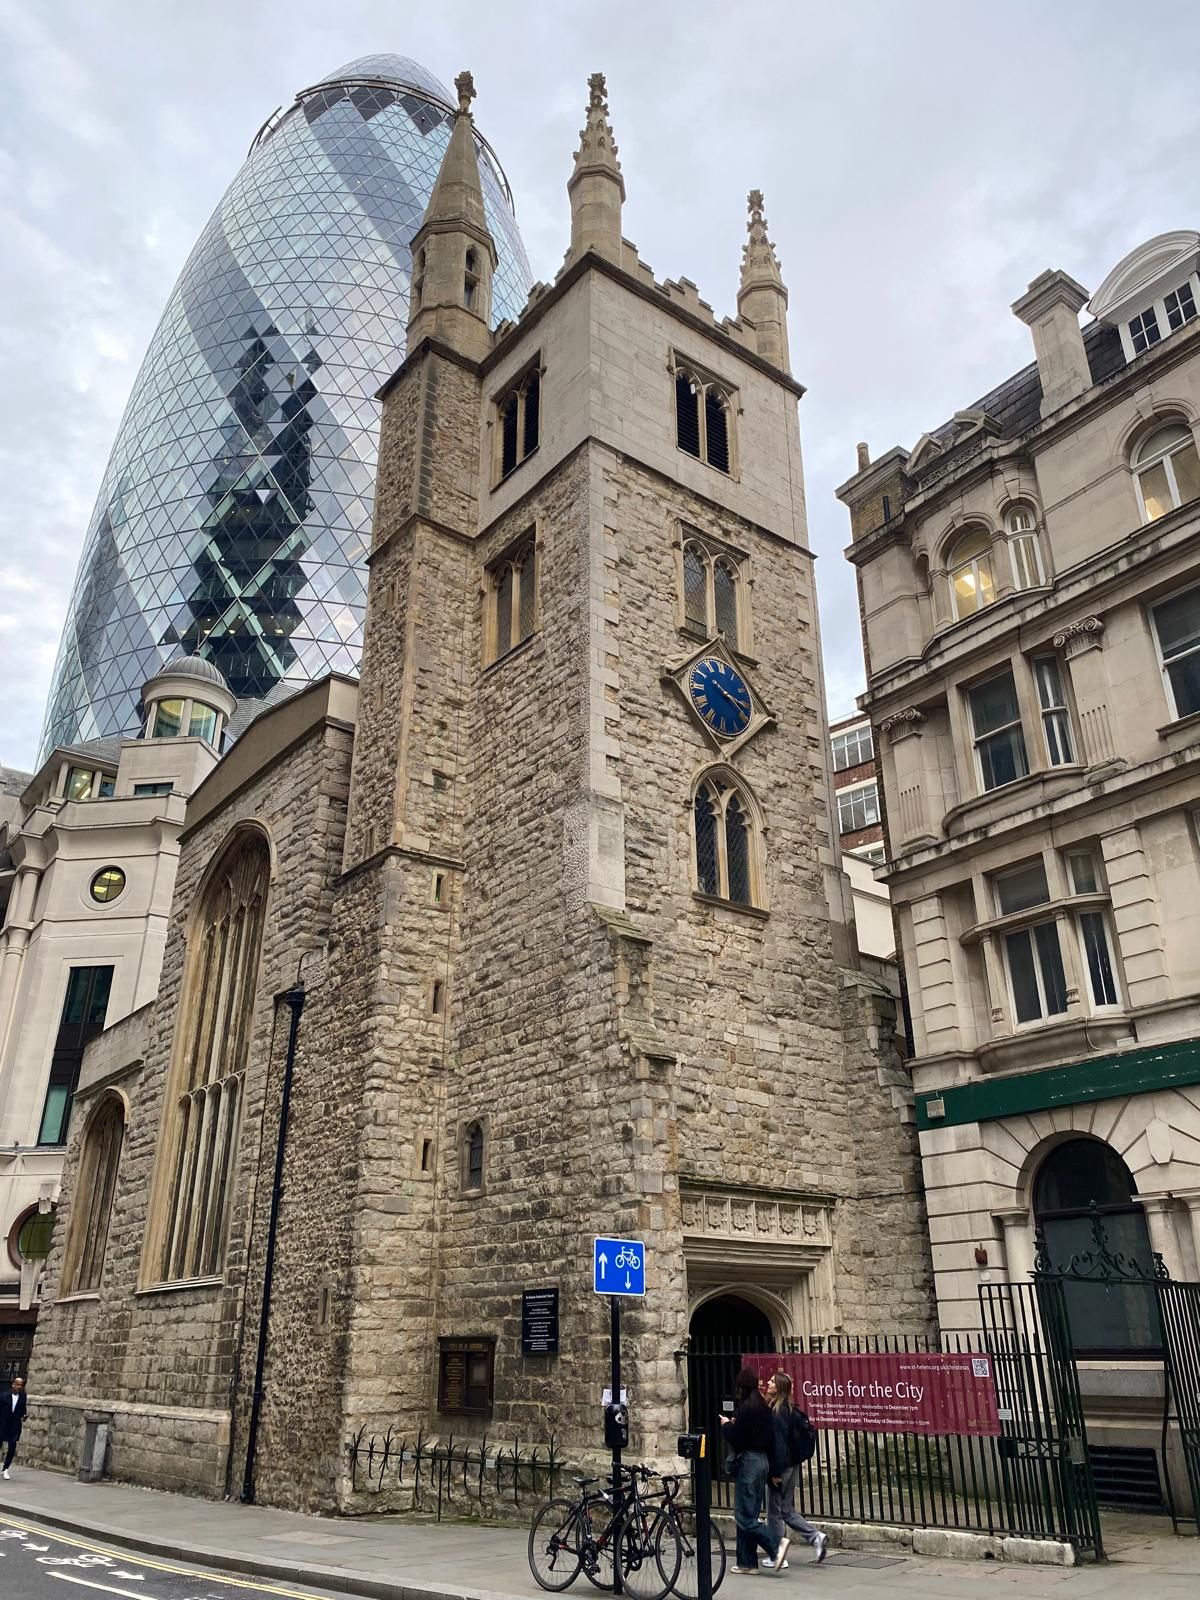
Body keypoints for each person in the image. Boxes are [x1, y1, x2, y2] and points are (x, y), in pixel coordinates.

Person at [719, 1365, 787, 1575]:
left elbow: (738, 1438)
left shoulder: (747, 1407)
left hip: (749, 1462)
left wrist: (727, 1425)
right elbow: (769, 1439)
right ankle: (746, 1562)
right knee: (750, 1512)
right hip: (762, 1462)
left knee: (744, 1516)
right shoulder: (763, 1406)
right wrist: (774, 1470)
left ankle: (776, 1547)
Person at [762, 1372, 826, 1567]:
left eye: (772, 1381)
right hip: (792, 1465)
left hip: (781, 1467)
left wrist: (774, 1472)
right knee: (787, 1510)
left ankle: (777, 1555)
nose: (768, 1383)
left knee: (774, 1513)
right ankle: (815, 1537)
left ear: (779, 1387)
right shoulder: (790, 1410)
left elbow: (779, 1445)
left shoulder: (777, 1412)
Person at [1, 1376, 27, 1479]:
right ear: (13, 1385)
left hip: (14, 1426)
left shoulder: (23, 1397)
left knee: (12, 1447)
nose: (19, 1387)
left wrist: (24, 1416)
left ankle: (5, 1469)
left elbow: (23, 1409)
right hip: (3, 1424)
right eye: (18, 1385)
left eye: (21, 1385)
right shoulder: (4, 1396)